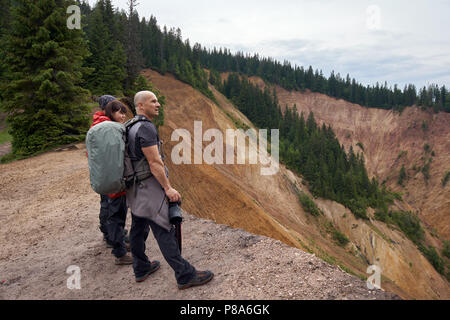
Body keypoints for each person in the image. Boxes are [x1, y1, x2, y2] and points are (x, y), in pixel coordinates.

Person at [126, 90, 214, 288]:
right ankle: (184, 275)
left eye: (158, 100)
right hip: (149, 188)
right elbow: (155, 162)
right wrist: (167, 188)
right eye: (153, 101)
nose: (158, 104)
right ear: (140, 105)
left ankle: (141, 268)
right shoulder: (146, 128)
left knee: (138, 228)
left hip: (135, 187)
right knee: (164, 229)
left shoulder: (130, 126)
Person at [91, 95, 117, 248]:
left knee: (106, 202)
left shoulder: (98, 122)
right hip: (107, 170)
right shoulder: (104, 124)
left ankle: (109, 233)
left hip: (101, 170)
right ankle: (111, 236)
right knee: (110, 204)